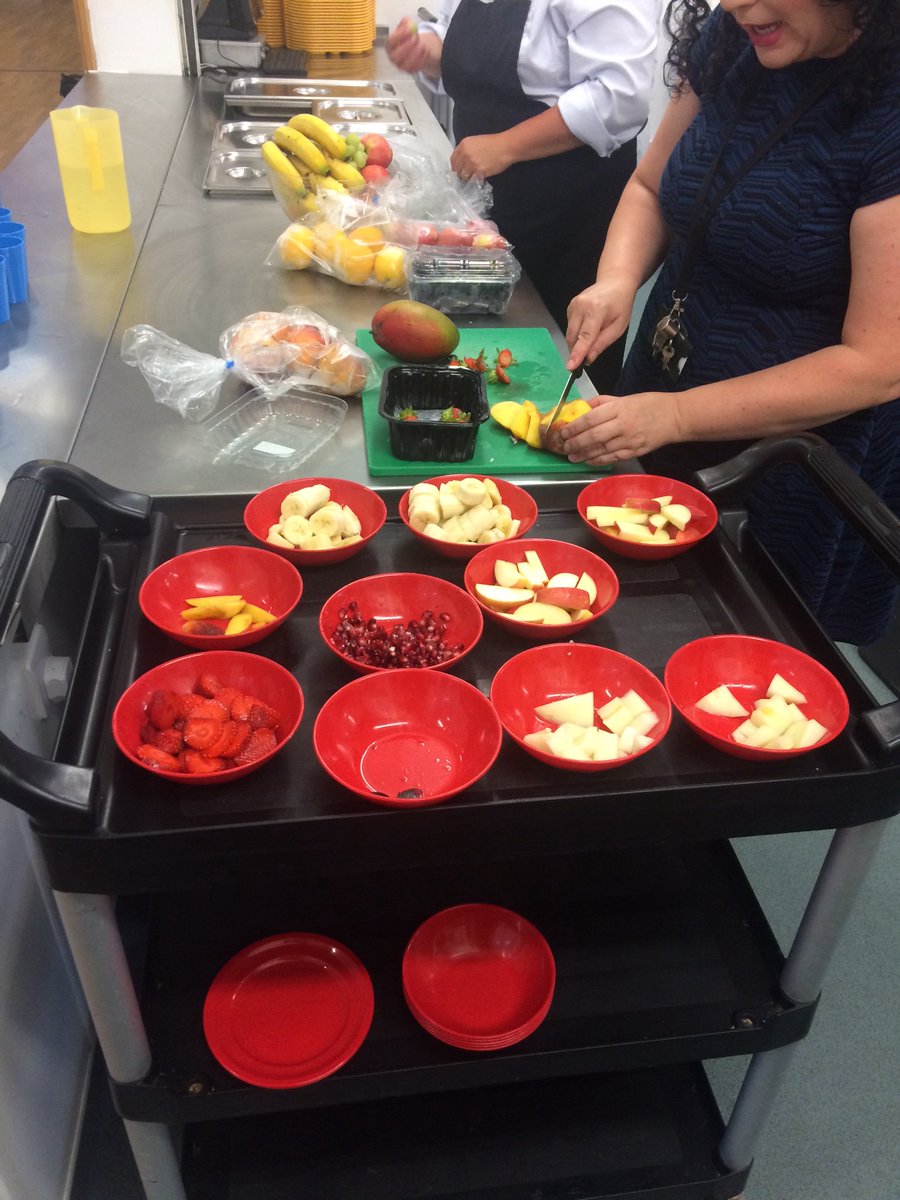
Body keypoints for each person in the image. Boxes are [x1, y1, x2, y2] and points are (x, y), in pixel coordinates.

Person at [561, 0, 900, 645]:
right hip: (659, 397)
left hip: (792, 452)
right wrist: (617, 281)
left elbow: (878, 364)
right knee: (622, 616)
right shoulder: (732, 35)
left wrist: (679, 414)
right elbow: (649, 188)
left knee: (745, 655)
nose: (740, 5)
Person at [386, 0, 661, 394]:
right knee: (474, 343)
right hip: (488, 195)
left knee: (556, 373)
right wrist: (429, 51)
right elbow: (459, 41)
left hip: (568, 210)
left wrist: (507, 146)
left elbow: (618, 98)